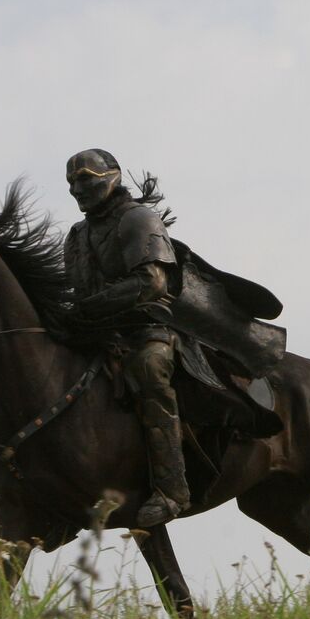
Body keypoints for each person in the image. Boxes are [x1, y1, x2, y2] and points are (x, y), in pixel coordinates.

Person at [63, 148, 188, 526]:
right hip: (100, 335)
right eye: (71, 182)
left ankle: (171, 489)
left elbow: (153, 281)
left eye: (84, 178)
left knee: (149, 370)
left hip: (147, 329)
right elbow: (76, 294)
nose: (76, 188)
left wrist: (93, 306)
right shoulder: (77, 235)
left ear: (111, 176)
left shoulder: (137, 219)